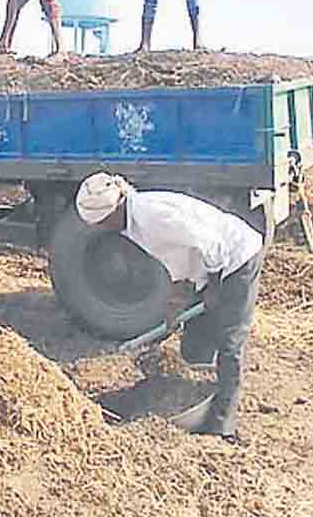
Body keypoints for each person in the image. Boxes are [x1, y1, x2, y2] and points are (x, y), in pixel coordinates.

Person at [74, 172, 264, 443]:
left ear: (115, 209)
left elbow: (210, 243)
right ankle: (193, 404)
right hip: (208, 268)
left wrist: (214, 286)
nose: (101, 228)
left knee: (229, 340)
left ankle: (223, 427)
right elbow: (175, 256)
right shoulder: (132, 224)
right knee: (195, 340)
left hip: (236, 258)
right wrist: (177, 300)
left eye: (102, 222)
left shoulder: (152, 216)